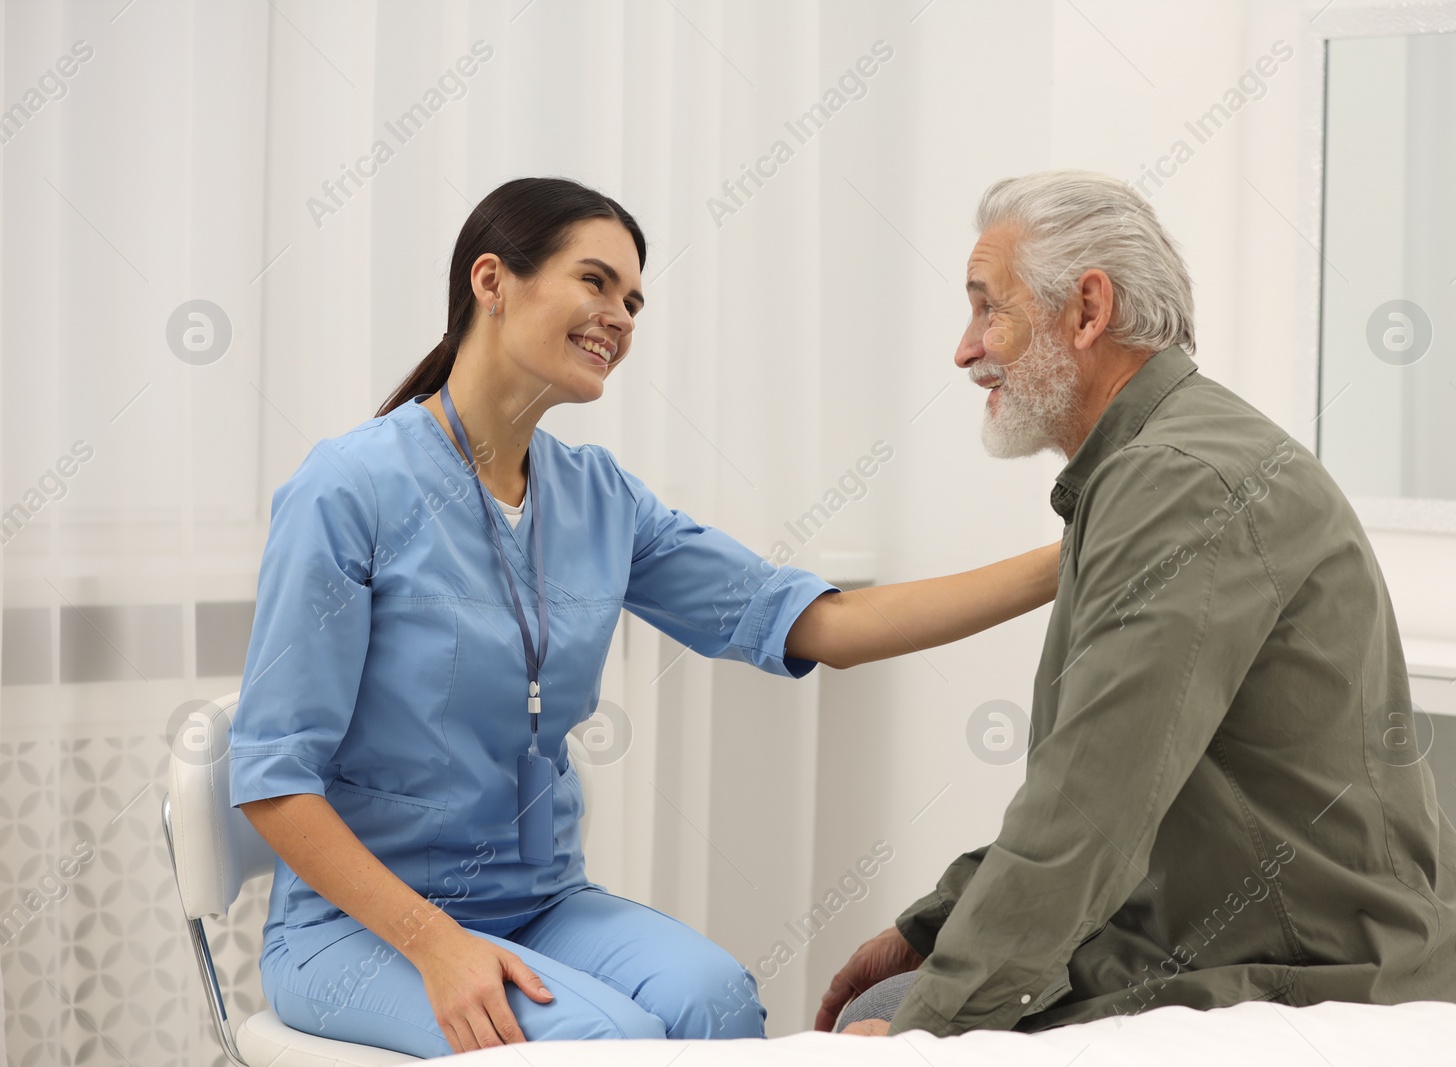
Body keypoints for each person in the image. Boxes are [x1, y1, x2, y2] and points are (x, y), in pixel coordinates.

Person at [229, 176, 1061, 1058]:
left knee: (715, 1001)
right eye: (595, 282)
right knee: (608, 1041)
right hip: (357, 930)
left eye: (633, 299)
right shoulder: (349, 488)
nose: (621, 316)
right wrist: (437, 945)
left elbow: (828, 623)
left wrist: (1072, 558)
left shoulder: (601, 501)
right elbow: (273, 777)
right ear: (491, 281)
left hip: (541, 902)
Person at [816, 169, 1456, 1038]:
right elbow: (1112, 776)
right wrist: (930, 925)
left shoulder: (1175, 479)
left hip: (1331, 953)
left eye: (988, 307)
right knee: (891, 994)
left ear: (1087, 310)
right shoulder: (1161, 458)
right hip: (1294, 908)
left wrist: (928, 1028)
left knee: (880, 1016)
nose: (965, 348)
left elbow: (1091, 795)